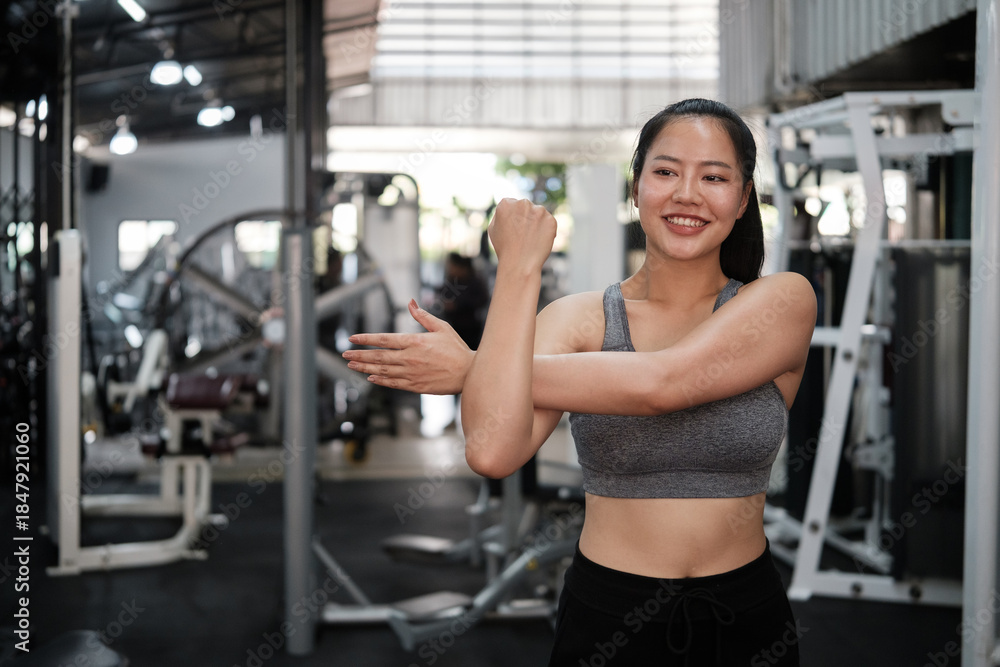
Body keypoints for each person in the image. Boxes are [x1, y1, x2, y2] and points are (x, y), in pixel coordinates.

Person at [342, 98, 816, 666]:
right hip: (609, 616)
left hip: (746, 617)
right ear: (636, 188)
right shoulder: (577, 320)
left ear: (742, 199)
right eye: (666, 172)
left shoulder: (781, 301)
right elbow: (492, 453)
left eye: (714, 177)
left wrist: (473, 367)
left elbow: (663, 384)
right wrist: (519, 268)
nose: (687, 194)